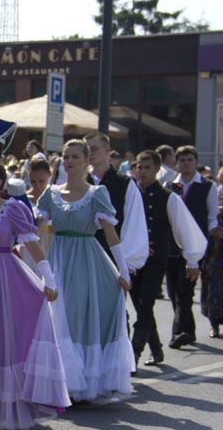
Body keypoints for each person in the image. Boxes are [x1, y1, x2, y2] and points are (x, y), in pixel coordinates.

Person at [0, 161, 71, 429]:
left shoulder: (13, 209)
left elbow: (33, 246)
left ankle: (4, 404)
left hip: (4, 278)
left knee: (2, 339)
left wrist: (48, 279)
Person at [35, 139, 134, 401]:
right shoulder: (51, 193)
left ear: (87, 160)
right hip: (59, 258)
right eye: (66, 157)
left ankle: (81, 383)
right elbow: (37, 233)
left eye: (75, 157)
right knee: (58, 316)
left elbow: (112, 234)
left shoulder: (96, 194)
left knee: (76, 315)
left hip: (87, 260)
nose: (69, 162)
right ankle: (60, 384)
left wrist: (123, 271)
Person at [129, 151, 206, 367]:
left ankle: (133, 355)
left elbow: (184, 228)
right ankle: (157, 349)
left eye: (147, 168)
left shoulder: (168, 196)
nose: (142, 172)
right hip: (133, 260)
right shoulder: (131, 194)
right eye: (139, 167)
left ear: (157, 170)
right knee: (139, 305)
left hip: (156, 261)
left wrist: (192, 259)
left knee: (145, 306)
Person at [167, 145, 219, 347]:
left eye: (190, 160)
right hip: (171, 245)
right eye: (182, 160)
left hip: (195, 246)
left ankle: (178, 332)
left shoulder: (207, 186)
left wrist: (213, 230)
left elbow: (212, 216)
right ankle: (188, 330)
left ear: (196, 162)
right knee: (173, 291)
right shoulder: (171, 185)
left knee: (185, 289)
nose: (186, 164)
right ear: (177, 163)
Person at [85, 132, 149, 274]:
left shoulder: (125, 183)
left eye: (94, 149)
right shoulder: (79, 181)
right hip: (82, 256)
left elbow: (134, 222)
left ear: (107, 150)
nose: (89, 153)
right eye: (86, 149)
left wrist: (127, 263)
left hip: (113, 258)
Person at [202, 167, 223, 337]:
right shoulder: (214, 194)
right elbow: (210, 219)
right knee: (213, 288)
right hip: (215, 252)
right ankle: (214, 324)